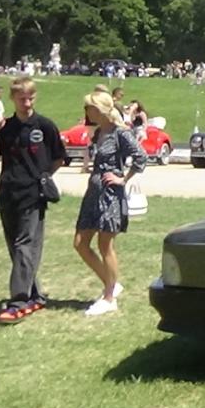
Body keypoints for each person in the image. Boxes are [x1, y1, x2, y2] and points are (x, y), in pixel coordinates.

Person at [0, 77, 66, 323]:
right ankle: (35, 295)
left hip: (33, 194)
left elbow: (58, 158)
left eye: (30, 98)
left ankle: (18, 301)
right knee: (16, 248)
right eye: (22, 99)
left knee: (24, 246)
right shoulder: (6, 128)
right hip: (8, 194)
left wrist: (43, 178)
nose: (27, 103)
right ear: (12, 99)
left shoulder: (45, 126)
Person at [74, 90, 147, 316]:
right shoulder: (98, 132)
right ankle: (111, 283)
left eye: (90, 108)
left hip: (110, 195)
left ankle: (109, 297)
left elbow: (141, 156)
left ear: (101, 109)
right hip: (93, 193)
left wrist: (122, 179)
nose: (87, 112)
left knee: (105, 244)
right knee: (80, 243)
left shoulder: (120, 133)